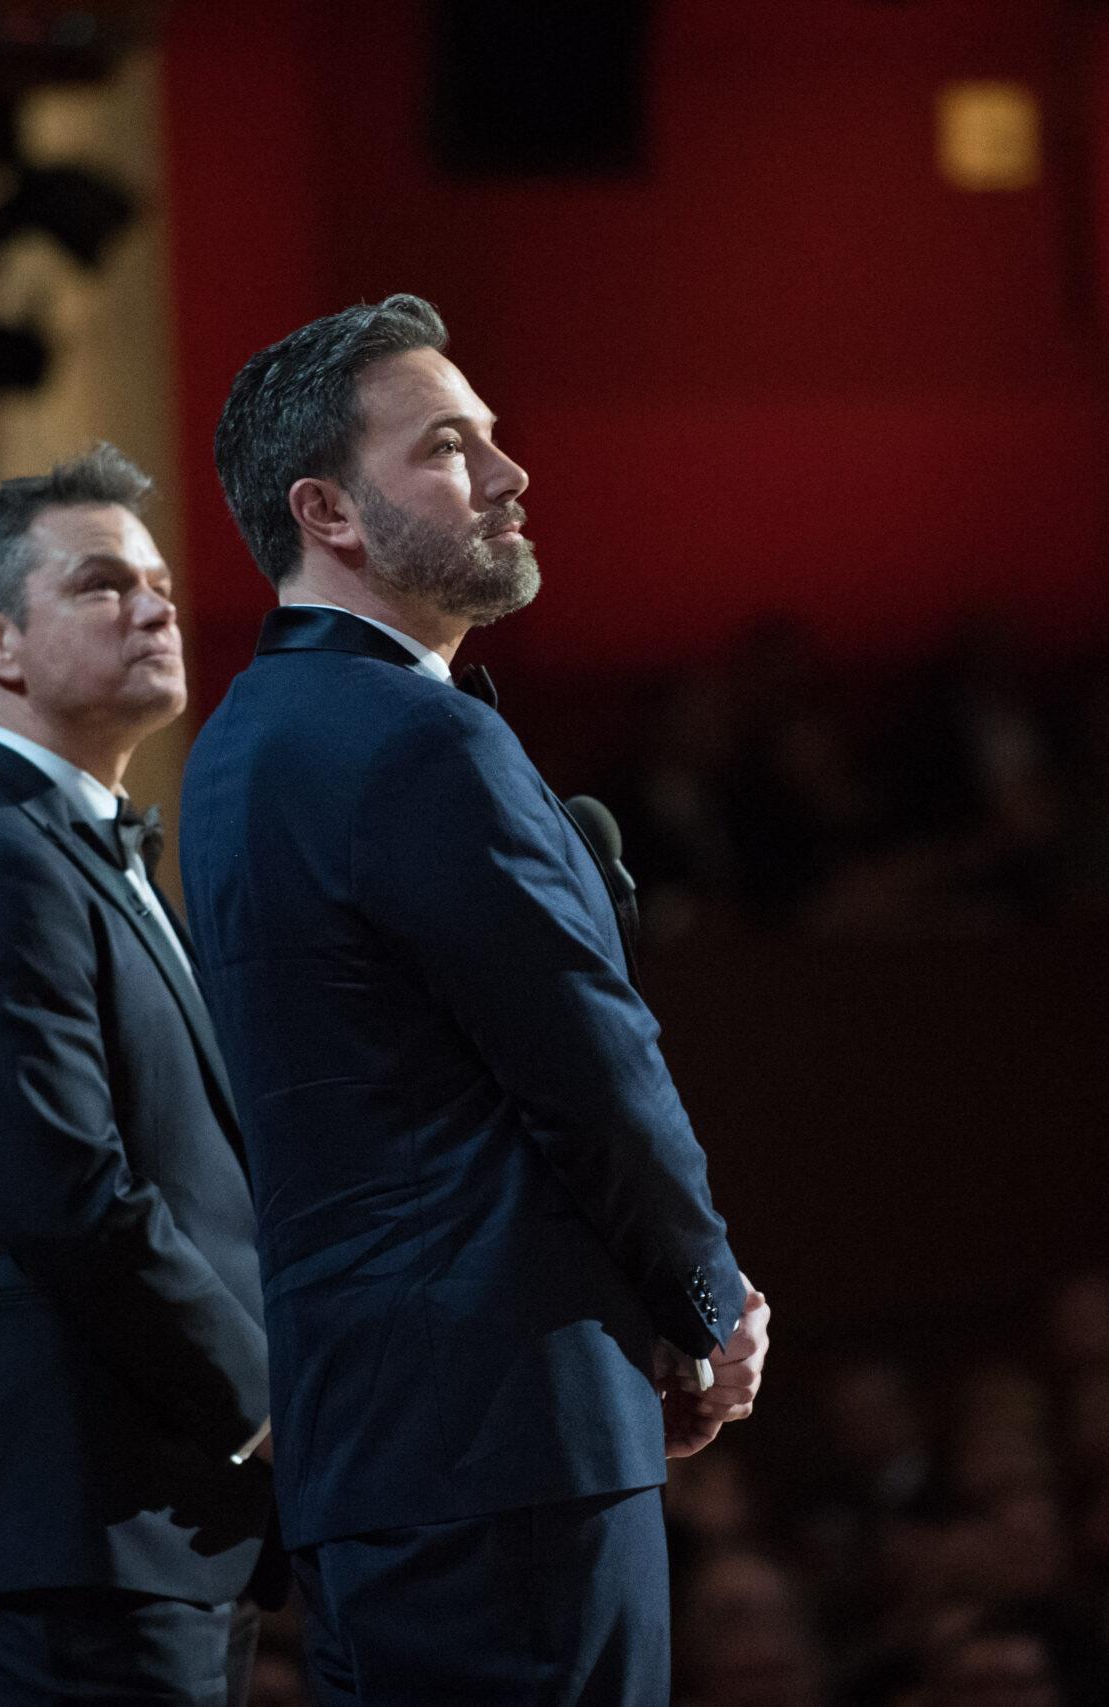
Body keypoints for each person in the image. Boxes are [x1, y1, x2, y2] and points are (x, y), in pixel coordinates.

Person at [182, 294, 769, 1702]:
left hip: (381, 1441)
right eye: (449, 448)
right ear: (326, 508)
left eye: (493, 439)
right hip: (508, 1433)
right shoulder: (419, 738)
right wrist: (704, 1303)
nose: (508, 477)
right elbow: (589, 1063)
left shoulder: (240, 742)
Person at [0, 446, 273, 1704]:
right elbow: (64, 1196)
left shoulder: (82, 850)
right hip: (79, 1514)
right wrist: (266, 1407)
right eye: (102, 586)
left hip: (157, 1514)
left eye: (158, 584)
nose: (156, 607)